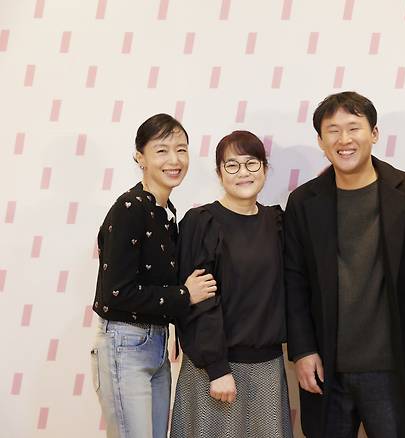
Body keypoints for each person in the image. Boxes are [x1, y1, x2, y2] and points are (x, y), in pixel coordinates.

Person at [285, 91, 405, 438]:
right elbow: (294, 281)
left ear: (375, 134)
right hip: (327, 369)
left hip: (395, 369)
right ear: (321, 141)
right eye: (332, 131)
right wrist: (302, 351)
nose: (344, 139)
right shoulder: (304, 202)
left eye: (354, 127)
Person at [90, 113, 217, 438]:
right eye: (162, 150)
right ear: (140, 156)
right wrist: (185, 295)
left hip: (155, 343)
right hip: (125, 344)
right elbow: (115, 293)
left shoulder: (165, 211)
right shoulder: (130, 208)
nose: (174, 160)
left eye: (182, 149)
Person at [171, 130, 292, 438]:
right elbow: (200, 300)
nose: (244, 173)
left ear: (265, 168)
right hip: (214, 370)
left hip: (267, 366)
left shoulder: (277, 223)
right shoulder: (202, 221)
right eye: (232, 165)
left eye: (252, 163)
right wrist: (218, 368)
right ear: (219, 172)